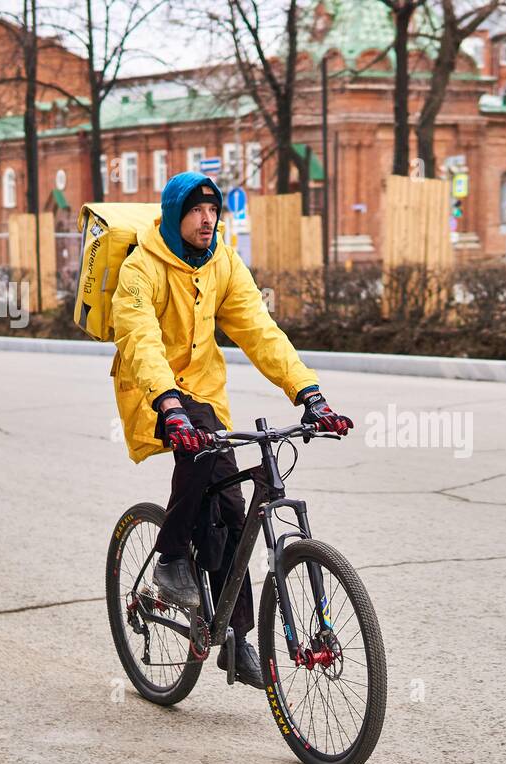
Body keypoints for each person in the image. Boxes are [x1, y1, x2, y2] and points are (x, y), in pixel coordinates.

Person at [110, 171, 352, 688]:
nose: (207, 219)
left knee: (229, 511)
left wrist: (309, 393)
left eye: (213, 210)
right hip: (154, 391)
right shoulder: (140, 270)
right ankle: (172, 559)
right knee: (197, 453)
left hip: (204, 398)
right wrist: (169, 404)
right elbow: (140, 341)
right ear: (176, 216)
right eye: (196, 211)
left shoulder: (221, 261)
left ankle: (234, 637)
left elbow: (259, 331)